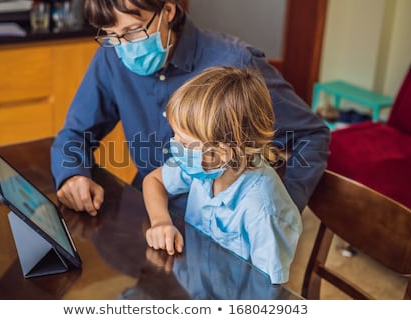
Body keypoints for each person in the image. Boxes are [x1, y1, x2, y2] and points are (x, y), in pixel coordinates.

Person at [51, 0, 330, 217]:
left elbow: (312, 136)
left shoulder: (236, 62)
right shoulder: (112, 56)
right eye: (112, 35)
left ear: (168, 10)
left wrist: (284, 209)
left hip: (221, 230)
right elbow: (75, 133)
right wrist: (72, 174)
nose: (124, 47)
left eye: (133, 32)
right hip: (150, 209)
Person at [143, 66, 302, 284]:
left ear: (225, 152)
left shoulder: (262, 210)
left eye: (185, 142)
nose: (174, 145)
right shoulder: (204, 165)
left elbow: (269, 290)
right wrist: (161, 221)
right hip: (195, 284)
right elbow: (154, 180)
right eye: (175, 135)